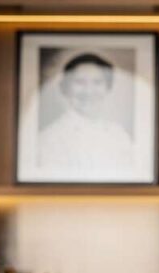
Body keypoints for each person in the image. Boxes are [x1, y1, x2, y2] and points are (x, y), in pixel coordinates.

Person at [38, 52, 138, 180]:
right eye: (80, 82)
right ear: (65, 88)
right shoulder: (49, 139)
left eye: (97, 82)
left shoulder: (119, 134)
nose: (89, 91)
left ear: (108, 88)